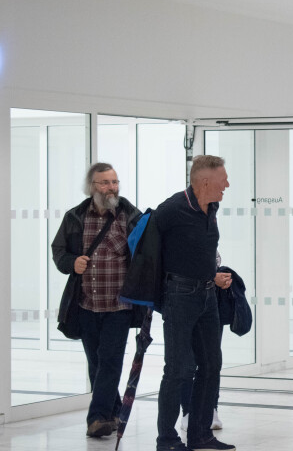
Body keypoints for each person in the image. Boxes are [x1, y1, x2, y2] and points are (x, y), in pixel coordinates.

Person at [51, 163, 141, 438]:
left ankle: (97, 417)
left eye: (114, 181)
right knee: (96, 362)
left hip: (119, 306)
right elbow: (59, 250)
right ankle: (113, 411)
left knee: (110, 360)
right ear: (91, 186)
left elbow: (145, 255)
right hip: (86, 304)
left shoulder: (131, 216)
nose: (111, 187)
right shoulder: (75, 217)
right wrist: (71, 262)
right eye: (104, 182)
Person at [154, 155, 234, 451]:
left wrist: (215, 275)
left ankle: (201, 435)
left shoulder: (211, 208)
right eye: (222, 178)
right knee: (177, 369)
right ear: (204, 181)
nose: (227, 184)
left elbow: (198, 251)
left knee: (212, 364)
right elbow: (149, 250)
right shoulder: (171, 210)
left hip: (207, 294)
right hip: (179, 296)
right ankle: (168, 440)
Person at [180, 252, 231, 432]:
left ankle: (211, 409)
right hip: (184, 301)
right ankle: (187, 411)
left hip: (211, 301)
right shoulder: (180, 230)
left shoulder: (208, 226)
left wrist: (219, 277)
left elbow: (215, 258)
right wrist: (211, 274)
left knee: (212, 361)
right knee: (187, 363)